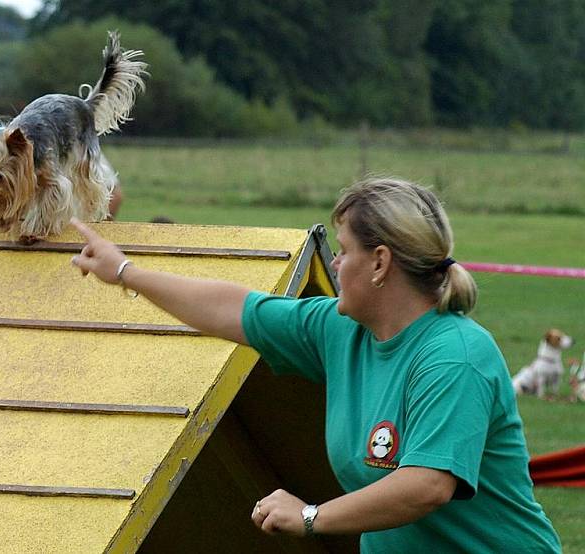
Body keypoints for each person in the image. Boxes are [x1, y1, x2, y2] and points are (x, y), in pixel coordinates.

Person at [70, 178, 561, 553]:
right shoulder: (339, 329)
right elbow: (232, 309)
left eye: (345, 251)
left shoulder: (454, 356)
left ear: (380, 263)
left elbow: (426, 485)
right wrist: (124, 272)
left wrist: (310, 516)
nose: (335, 264)